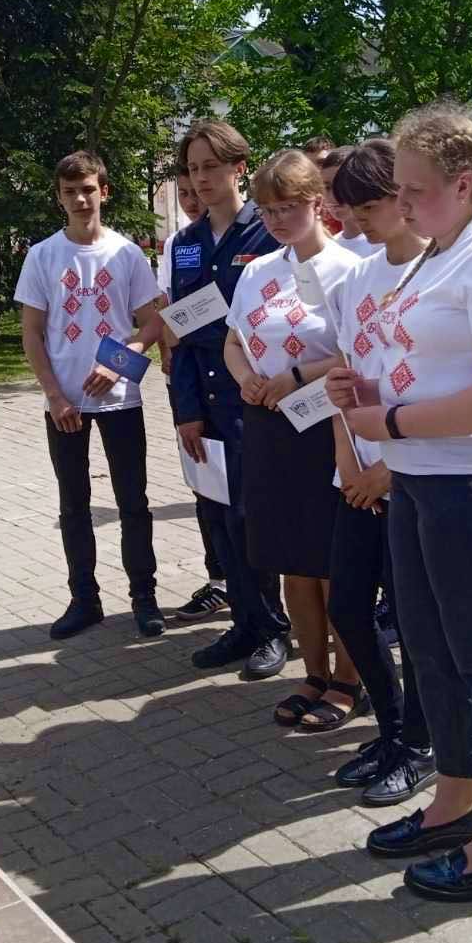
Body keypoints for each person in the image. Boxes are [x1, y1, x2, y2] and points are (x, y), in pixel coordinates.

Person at [328, 102, 472, 906]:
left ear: (463, 183)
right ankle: (455, 802)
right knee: (432, 652)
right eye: (400, 189)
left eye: (415, 190)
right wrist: (361, 390)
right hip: (424, 479)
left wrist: (387, 421)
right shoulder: (437, 254)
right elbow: (430, 363)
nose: (403, 203)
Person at [225, 149, 364, 729]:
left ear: (317, 203)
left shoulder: (351, 269)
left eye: (288, 207)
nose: (277, 220)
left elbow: (359, 351)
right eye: (267, 210)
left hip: (326, 430)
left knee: (334, 564)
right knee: (291, 563)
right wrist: (247, 378)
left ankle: (350, 679)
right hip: (268, 427)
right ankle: (313, 672)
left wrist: (298, 375)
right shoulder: (257, 270)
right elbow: (234, 341)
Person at [323, 138, 437, 804]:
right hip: (358, 473)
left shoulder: (437, 272)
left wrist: (387, 473)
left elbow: (444, 389)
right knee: (347, 605)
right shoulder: (355, 281)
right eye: (349, 208)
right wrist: (348, 462)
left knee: (416, 622)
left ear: (402, 196)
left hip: (413, 476)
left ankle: (423, 744)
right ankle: (392, 729)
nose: (355, 220)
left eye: (366, 207)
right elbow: (343, 379)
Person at [14, 150, 166, 638]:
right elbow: (32, 332)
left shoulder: (126, 253)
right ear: (59, 198)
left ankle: (144, 598)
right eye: (70, 192)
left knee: (133, 501)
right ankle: (84, 599)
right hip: (66, 403)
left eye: (87, 190)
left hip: (120, 400)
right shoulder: (42, 255)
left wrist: (118, 362)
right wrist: (54, 395)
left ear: (104, 191)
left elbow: (152, 323)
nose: (80, 200)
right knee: (73, 504)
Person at [171, 120, 289, 679]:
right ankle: (243, 623)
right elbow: (180, 333)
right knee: (218, 517)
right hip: (208, 400)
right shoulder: (186, 244)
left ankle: (272, 628)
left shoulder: (266, 234)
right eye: (193, 169)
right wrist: (186, 411)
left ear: (239, 167)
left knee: (253, 518)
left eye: (211, 166)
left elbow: (274, 322)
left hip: (256, 398)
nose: (201, 178)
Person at [160, 158, 229, 622]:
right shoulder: (180, 244)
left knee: (249, 506)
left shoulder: (258, 234)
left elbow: (233, 317)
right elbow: (172, 320)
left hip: (247, 391)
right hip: (195, 389)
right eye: (184, 190)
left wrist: (190, 327)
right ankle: (224, 586)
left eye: (205, 176)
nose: (193, 196)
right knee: (209, 494)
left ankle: (266, 612)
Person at [320, 147, 374, 258]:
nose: (334, 196)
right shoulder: (330, 248)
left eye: (341, 185)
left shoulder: (380, 245)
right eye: (327, 187)